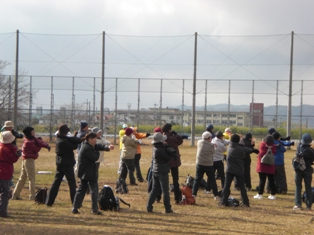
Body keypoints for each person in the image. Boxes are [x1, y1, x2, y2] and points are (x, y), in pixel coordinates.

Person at [46, 124, 83, 206]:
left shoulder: (60, 139)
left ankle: (49, 202)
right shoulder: (64, 141)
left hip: (60, 164)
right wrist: (77, 138)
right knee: (72, 183)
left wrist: (75, 136)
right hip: (67, 164)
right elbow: (74, 145)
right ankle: (75, 202)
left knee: (56, 183)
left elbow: (71, 140)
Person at [12, 126, 51, 200]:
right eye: (33, 131)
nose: (34, 132)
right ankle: (32, 196)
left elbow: (38, 141)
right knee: (31, 178)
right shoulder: (29, 142)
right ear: (30, 132)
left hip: (26, 159)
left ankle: (15, 194)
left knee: (22, 178)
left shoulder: (29, 139)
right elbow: (36, 149)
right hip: (29, 160)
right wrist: (41, 146)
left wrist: (45, 145)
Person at [219, 134, 257, 207]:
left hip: (229, 169)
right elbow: (244, 151)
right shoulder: (239, 148)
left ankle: (223, 202)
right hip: (239, 170)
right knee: (242, 187)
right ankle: (245, 203)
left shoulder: (230, 147)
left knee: (226, 186)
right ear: (238, 140)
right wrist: (253, 150)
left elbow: (242, 148)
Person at [72, 132, 102, 215]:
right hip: (89, 172)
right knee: (94, 190)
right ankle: (94, 209)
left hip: (85, 172)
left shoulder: (86, 145)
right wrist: (97, 152)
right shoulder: (87, 148)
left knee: (81, 190)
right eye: (94, 139)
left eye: (96, 139)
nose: (95, 141)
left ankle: (75, 207)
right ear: (89, 139)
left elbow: (98, 146)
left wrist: (106, 148)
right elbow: (94, 157)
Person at [147, 132, 173, 213]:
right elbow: (168, 157)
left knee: (154, 190)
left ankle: (149, 206)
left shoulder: (155, 147)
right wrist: (167, 147)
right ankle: (168, 208)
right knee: (165, 191)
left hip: (155, 170)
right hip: (162, 171)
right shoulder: (160, 150)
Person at [162, 123, 187, 204]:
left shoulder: (161, 137)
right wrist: (176, 134)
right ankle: (177, 198)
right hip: (173, 161)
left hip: (164, 161)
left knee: (162, 180)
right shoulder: (172, 138)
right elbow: (180, 140)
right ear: (169, 129)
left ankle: (158, 197)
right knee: (175, 180)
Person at [192, 131, 219, 200]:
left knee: (197, 179)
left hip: (199, 163)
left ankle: (194, 194)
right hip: (208, 164)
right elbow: (213, 152)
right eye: (210, 138)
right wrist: (214, 145)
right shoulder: (211, 145)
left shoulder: (199, 142)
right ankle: (216, 195)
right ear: (208, 138)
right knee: (212, 179)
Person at [0, 131, 21, 218]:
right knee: (5, 193)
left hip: (2, 172)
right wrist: (17, 155)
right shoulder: (5, 150)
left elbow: (12, 148)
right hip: (4, 173)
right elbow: (12, 159)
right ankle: (3, 212)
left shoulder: (2, 147)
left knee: (3, 192)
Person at [293, 133, 314, 210]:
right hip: (308, 170)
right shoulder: (311, 150)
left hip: (298, 169)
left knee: (298, 186)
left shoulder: (299, 147)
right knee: (308, 187)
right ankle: (308, 205)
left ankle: (298, 204)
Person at [254, 134, 277, 200]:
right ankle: (273, 194)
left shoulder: (262, 144)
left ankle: (260, 193)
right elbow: (274, 152)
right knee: (271, 180)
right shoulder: (274, 146)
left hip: (262, 165)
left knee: (262, 179)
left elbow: (260, 153)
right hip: (270, 164)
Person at [1, 120, 24, 188]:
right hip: (7, 150)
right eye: (10, 127)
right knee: (6, 166)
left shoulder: (13, 132)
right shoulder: (4, 133)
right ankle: (9, 181)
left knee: (9, 167)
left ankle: (9, 180)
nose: (11, 128)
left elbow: (20, 136)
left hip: (11, 148)